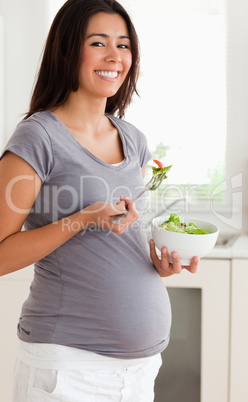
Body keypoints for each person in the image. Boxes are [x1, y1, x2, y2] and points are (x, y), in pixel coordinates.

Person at [0, 0, 199, 400]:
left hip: (140, 370)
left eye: (124, 45)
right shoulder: (38, 137)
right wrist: (83, 217)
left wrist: (154, 262)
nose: (114, 56)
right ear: (67, 50)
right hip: (68, 368)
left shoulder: (133, 139)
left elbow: (114, 237)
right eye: (98, 42)